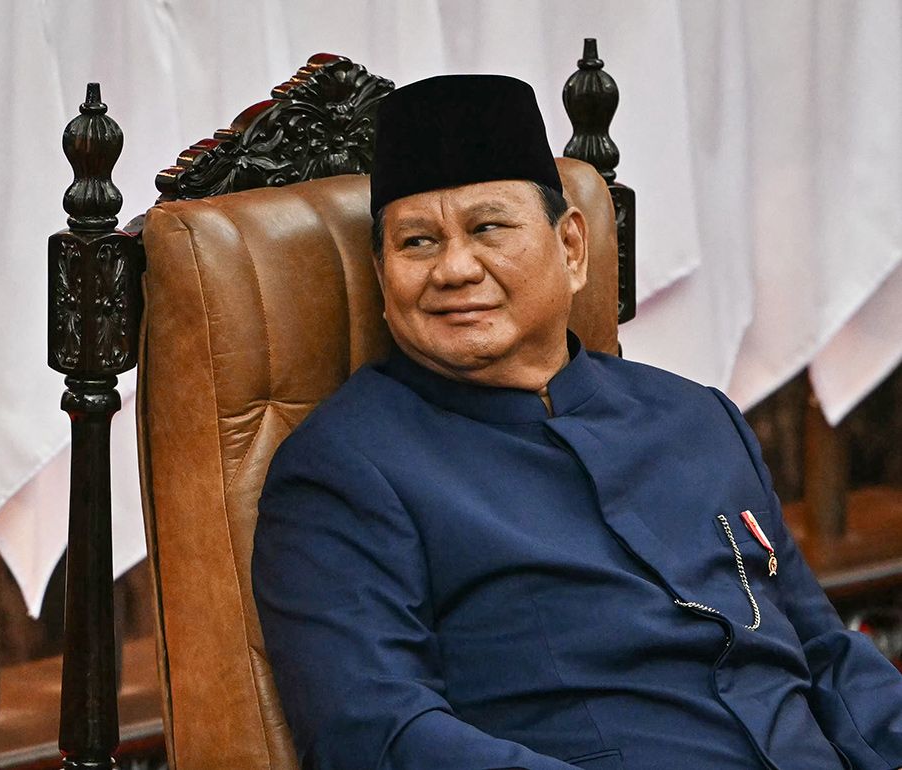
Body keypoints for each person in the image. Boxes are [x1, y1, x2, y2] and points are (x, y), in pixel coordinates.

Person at [251, 75, 902, 770]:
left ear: (570, 247)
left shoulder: (697, 417)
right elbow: (378, 734)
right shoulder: (344, 471)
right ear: (382, 277)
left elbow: (827, 656)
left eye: (488, 228)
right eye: (416, 243)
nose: (454, 269)